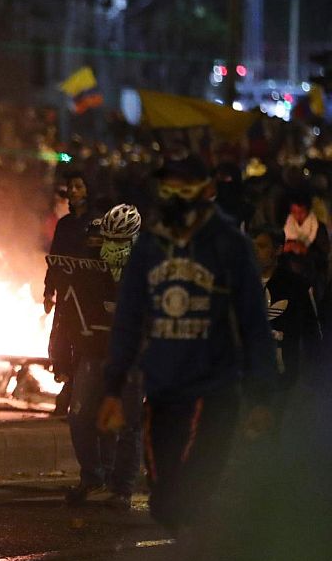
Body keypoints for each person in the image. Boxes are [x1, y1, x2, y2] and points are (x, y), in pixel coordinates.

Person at [99, 155, 276, 532]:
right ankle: (197, 557)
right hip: (163, 389)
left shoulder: (230, 245)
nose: (176, 195)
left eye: (186, 187)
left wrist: (262, 393)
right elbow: (128, 319)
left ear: (207, 190)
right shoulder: (149, 247)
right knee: (164, 501)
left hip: (214, 389)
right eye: (170, 187)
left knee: (193, 491)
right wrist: (113, 387)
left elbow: (254, 323)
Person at [60, 204, 144, 510]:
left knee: (129, 424)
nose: (113, 248)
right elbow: (71, 309)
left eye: (121, 242)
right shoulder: (91, 267)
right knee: (80, 417)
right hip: (94, 353)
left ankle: (121, 488)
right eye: (109, 240)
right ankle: (93, 477)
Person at [45, 172, 96, 416]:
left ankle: (78, 389)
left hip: (88, 293)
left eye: (79, 186)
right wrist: (49, 290)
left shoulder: (97, 223)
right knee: (61, 339)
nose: (73, 191)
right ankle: (67, 383)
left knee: (84, 341)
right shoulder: (64, 224)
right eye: (71, 187)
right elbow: (54, 259)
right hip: (66, 292)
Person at [251, 226, 321, 399]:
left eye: (261, 246)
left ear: (278, 250)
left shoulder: (297, 286)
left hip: (285, 377)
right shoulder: (242, 285)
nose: (255, 252)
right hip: (248, 378)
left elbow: (312, 333)